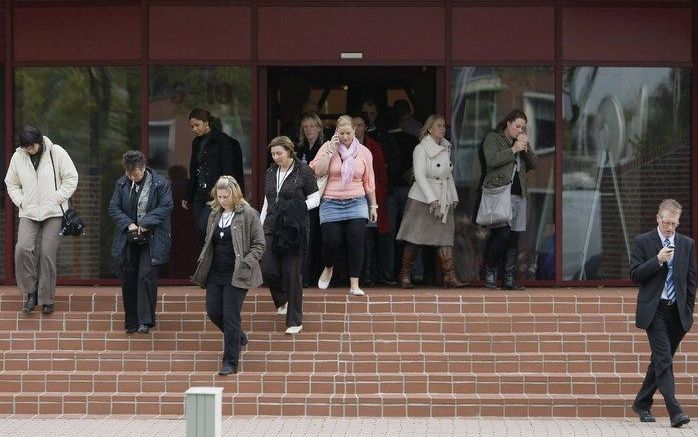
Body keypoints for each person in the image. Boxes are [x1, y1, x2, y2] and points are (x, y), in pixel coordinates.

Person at [191, 176, 265, 375]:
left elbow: (259, 244)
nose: (223, 200)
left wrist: (246, 263)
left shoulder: (248, 213)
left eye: (226, 197)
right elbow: (209, 241)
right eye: (220, 196)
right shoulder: (215, 213)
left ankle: (230, 361)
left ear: (235, 194)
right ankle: (238, 337)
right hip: (216, 271)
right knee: (214, 311)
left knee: (231, 316)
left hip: (237, 273)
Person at [630, 199, 694, 428]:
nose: (670, 228)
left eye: (674, 224)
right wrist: (657, 260)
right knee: (664, 359)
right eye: (666, 223)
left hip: (677, 312)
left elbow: (691, 282)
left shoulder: (686, 244)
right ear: (658, 218)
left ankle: (642, 402)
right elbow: (635, 274)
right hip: (654, 310)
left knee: (659, 360)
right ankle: (675, 410)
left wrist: (688, 313)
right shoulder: (643, 242)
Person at [5, 125, 78, 315]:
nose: (29, 150)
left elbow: (71, 178)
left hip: (53, 212)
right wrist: (22, 201)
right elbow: (11, 183)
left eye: (32, 146)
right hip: (29, 212)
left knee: (46, 253)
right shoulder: (18, 157)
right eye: (26, 147)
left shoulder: (56, 152)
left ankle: (47, 299)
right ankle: (31, 293)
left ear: (39, 141)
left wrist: (57, 197)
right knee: (22, 248)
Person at [309, 115, 378, 296]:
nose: (346, 137)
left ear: (355, 131)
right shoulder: (327, 147)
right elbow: (317, 171)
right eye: (342, 133)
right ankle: (328, 267)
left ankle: (354, 284)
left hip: (357, 201)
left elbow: (369, 181)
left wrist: (374, 206)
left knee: (356, 240)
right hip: (330, 201)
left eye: (348, 133)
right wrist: (331, 151)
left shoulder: (364, 152)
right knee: (331, 241)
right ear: (336, 133)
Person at [396, 114, 466, 289]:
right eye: (439, 126)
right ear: (429, 128)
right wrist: (431, 198)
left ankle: (450, 276)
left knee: (444, 238)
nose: (443, 129)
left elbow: (448, 176)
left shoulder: (446, 147)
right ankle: (404, 275)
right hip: (422, 199)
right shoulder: (421, 148)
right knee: (414, 237)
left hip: (443, 199)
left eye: (444, 126)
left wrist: (454, 196)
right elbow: (419, 175)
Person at [108, 150, 173, 334]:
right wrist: (128, 224)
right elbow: (113, 207)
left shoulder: (160, 184)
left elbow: (166, 206)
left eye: (135, 173)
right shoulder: (121, 183)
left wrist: (145, 224)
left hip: (152, 237)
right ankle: (131, 321)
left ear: (143, 168)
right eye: (129, 174)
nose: (132, 177)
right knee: (128, 276)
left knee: (146, 276)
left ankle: (145, 321)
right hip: (129, 237)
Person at [260, 136, 319, 334]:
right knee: (267, 268)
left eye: (279, 153)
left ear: (289, 151)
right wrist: (260, 226)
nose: (276, 157)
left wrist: (299, 207)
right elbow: (267, 201)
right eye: (273, 154)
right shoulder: (270, 171)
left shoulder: (303, 170)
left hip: (294, 228)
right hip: (271, 225)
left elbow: (315, 198)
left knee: (292, 273)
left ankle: (294, 321)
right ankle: (281, 299)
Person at [477, 109, 538, 290]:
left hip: (519, 195)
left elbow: (534, 163)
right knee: (501, 235)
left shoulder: (521, 142)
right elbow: (491, 160)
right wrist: (513, 149)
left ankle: (509, 279)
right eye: (517, 126)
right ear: (508, 123)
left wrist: (525, 150)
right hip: (500, 193)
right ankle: (489, 270)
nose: (520, 130)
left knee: (513, 238)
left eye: (523, 127)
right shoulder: (493, 138)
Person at [183, 108, 245, 241]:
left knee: (206, 227)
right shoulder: (197, 142)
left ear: (207, 123)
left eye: (197, 125)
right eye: (192, 126)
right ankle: (207, 259)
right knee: (201, 231)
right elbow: (194, 169)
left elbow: (227, 168)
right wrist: (188, 194)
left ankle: (212, 259)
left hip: (216, 193)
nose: (194, 129)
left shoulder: (222, 141)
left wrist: (227, 192)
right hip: (199, 193)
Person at [352, 115, 389, 287]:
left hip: (369, 195)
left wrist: (377, 196)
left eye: (359, 125)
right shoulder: (341, 147)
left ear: (365, 127)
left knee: (368, 237)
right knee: (352, 236)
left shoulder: (374, 146)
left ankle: (368, 274)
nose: (356, 128)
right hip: (349, 196)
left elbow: (381, 174)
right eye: (353, 125)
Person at [297, 113, 325, 287]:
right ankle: (304, 276)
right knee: (306, 237)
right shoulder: (299, 149)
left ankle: (317, 275)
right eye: (305, 127)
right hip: (303, 198)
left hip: (322, 196)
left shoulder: (325, 147)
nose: (308, 130)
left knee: (320, 238)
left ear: (319, 128)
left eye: (311, 126)